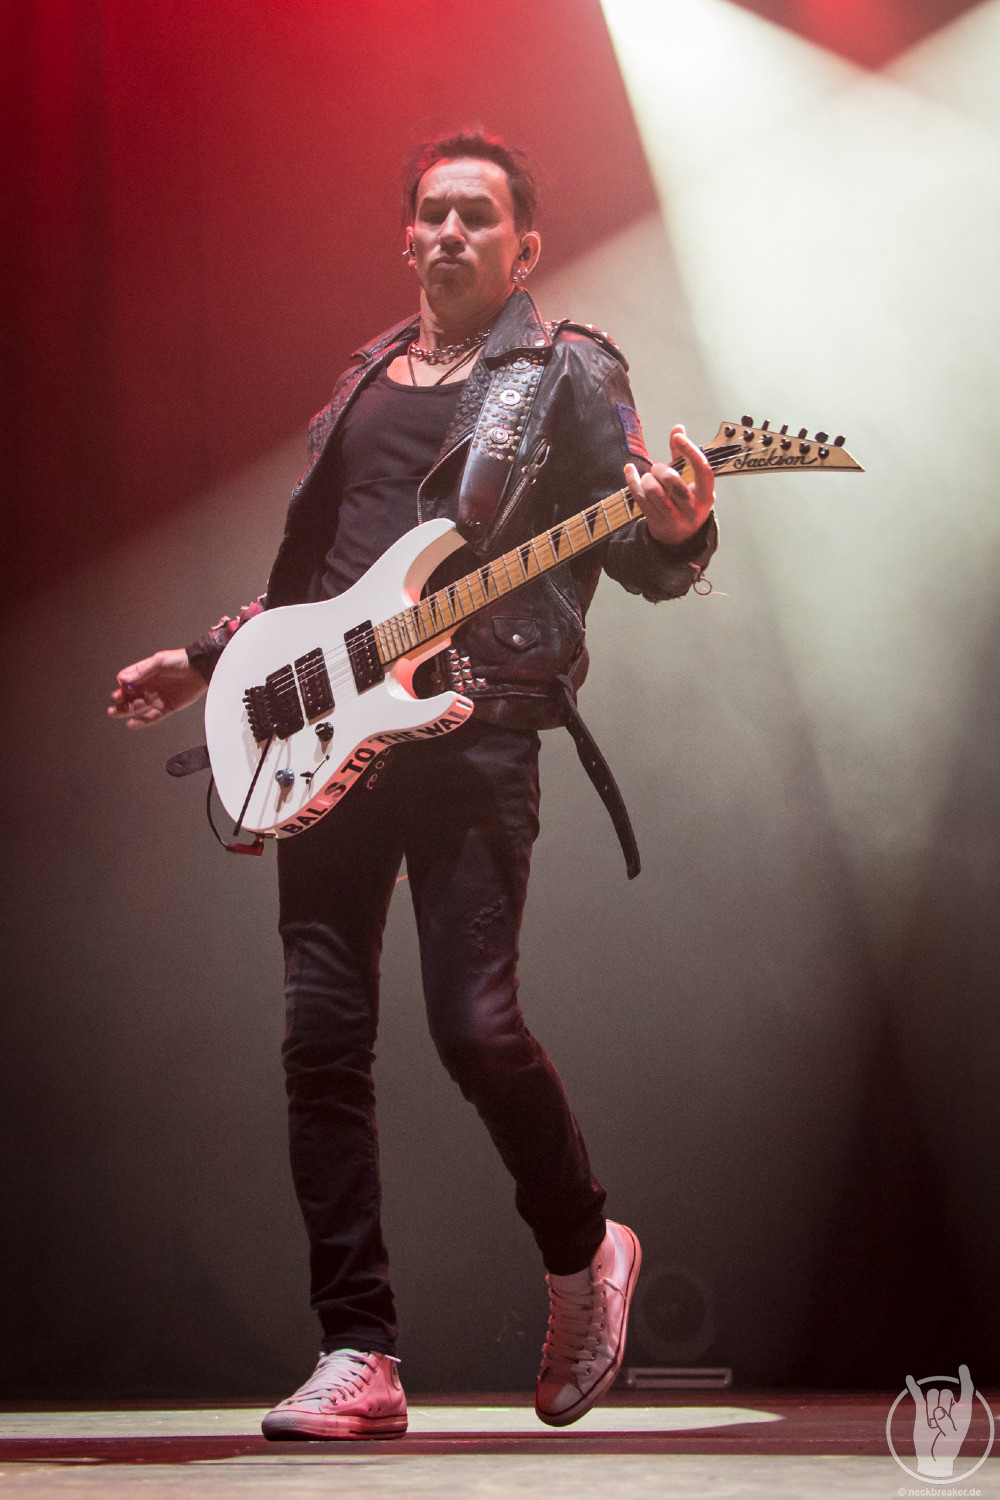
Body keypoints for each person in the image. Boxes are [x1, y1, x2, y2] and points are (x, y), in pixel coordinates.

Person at [109, 131, 718, 1440]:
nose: (449, 232)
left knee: (474, 1025)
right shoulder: (365, 379)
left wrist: (681, 533)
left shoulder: (564, 372)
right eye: (433, 212)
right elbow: (316, 584)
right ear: (407, 236)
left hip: (473, 729)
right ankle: (359, 1354)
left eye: (476, 216)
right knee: (319, 1043)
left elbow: (633, 545)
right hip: (331, 737)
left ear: (524, 248)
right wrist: (208, 663)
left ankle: (585, 1250)